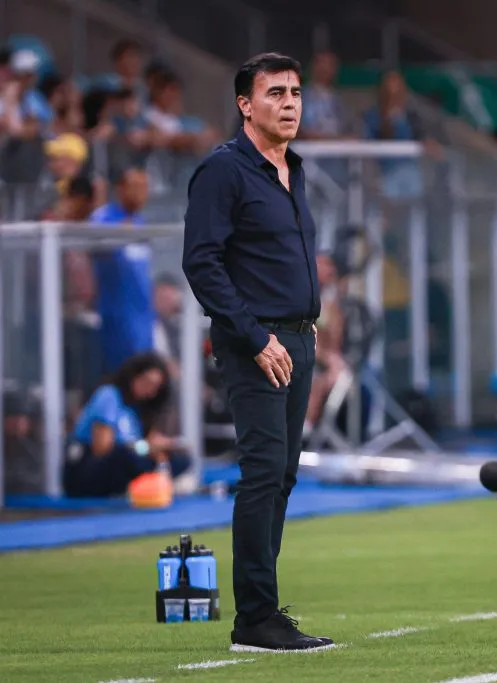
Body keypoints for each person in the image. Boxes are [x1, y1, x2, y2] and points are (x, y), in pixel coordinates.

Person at [182, 52, 332, 652]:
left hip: (298, 337)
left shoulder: (294, 168)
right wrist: (255, 336)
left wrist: (305, 329)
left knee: (283, 476)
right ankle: (255, 617)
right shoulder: (223, 170)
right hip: (256, 342)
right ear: (245, 104)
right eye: (275, 93)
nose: (289, 103)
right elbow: (202, 263)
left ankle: (261, 611)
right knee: (264, 472)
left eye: (295, 92)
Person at [63, 353, 191, 498]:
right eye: (147, 382)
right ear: (133, 376)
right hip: (87, 467)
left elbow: (143, 444)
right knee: (126, 456)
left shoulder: (136, 409)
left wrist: (158, 448)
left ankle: (156, 481)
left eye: (155, 388)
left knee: (180, 458)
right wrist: (145, 447)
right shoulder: (109, 396)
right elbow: (102, 449)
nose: (149, 390)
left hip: (129, 458)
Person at [89, 167, 154, 374]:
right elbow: (96, 248)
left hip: (143, 317)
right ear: (120, 189)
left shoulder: (140, 222)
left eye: (145, 187)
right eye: (135, 186)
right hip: (116, 317)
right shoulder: (103, 218)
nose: (141, 193)